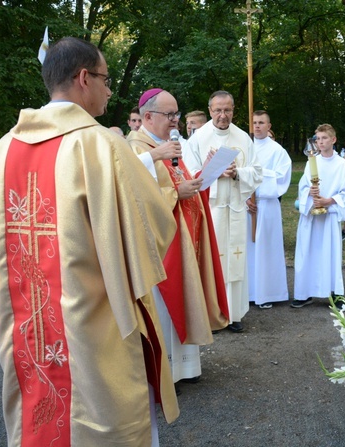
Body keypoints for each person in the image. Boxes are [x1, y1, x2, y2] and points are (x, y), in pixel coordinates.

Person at [0, 37, 179, 446]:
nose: (108, 89)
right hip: (95, 317)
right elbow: (149, 228)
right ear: (84, 78)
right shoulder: (102, 145)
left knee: (40, 413)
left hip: (29, 321)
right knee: (103, 408)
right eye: (104, 78)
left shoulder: (5, 150)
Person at [127, 87, 229, 384]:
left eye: (176, 114)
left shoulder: (168, 144)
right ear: (148, 116)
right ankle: (164, 373)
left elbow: (178, 179)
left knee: (184, 295)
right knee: (162, 304)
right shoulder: (135, 146)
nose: (175, 121)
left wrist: (201, 177)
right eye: (169, 115)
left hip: (182, 234)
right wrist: (175, 192)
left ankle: (186, 367)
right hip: (158, 246)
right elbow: (131, 193)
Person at [183, 91, 262, 333]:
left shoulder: (243, 138)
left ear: (233, 110)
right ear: (210, 110)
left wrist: (237, 172)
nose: (222, 115)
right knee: (212, 259)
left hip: (236, 208)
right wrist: (212, 169)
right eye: (218, 110)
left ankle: (234, 314)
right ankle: (213, 314)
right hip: (212, 209)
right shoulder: (198, 138)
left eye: (227, 110)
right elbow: (190, 174)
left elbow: (257, 171)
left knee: (235, 260)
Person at [292, 124, 345, 309]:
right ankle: (303, 293)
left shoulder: (341, 164)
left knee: (331, 254)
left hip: (329, 217)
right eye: (317, 139)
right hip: (311, 216)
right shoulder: (312, 161)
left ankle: (336, 294)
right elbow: (302, 188)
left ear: (333, 140)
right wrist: (310, 194)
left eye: (324, 138)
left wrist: (330, 201)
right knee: (307, 253)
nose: (320, 142)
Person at [246, 110, 291, 309]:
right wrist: (245, 196)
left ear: (269, 126)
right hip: (248, 205)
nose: (257, 126)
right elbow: (237, 174)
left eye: (261, 122)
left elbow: (282, 177)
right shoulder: (246, 148)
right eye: (254, 122)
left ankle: (267, 293)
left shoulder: (277, 150)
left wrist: (258, 175)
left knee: (266, 249)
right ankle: (249, 292)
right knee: (248, 250)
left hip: (267, 204)